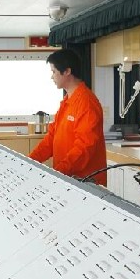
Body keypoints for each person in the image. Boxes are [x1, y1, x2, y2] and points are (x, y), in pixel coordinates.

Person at [28, 49, 107, 185]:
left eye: (54, 72)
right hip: (67, 177)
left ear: (67, 71)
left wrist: (58, 172)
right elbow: (51, 139)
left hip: (85, 181)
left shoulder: (86, 102)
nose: (52, 77)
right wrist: (29, 161)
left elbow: (84, 147)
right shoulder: (67, 101)